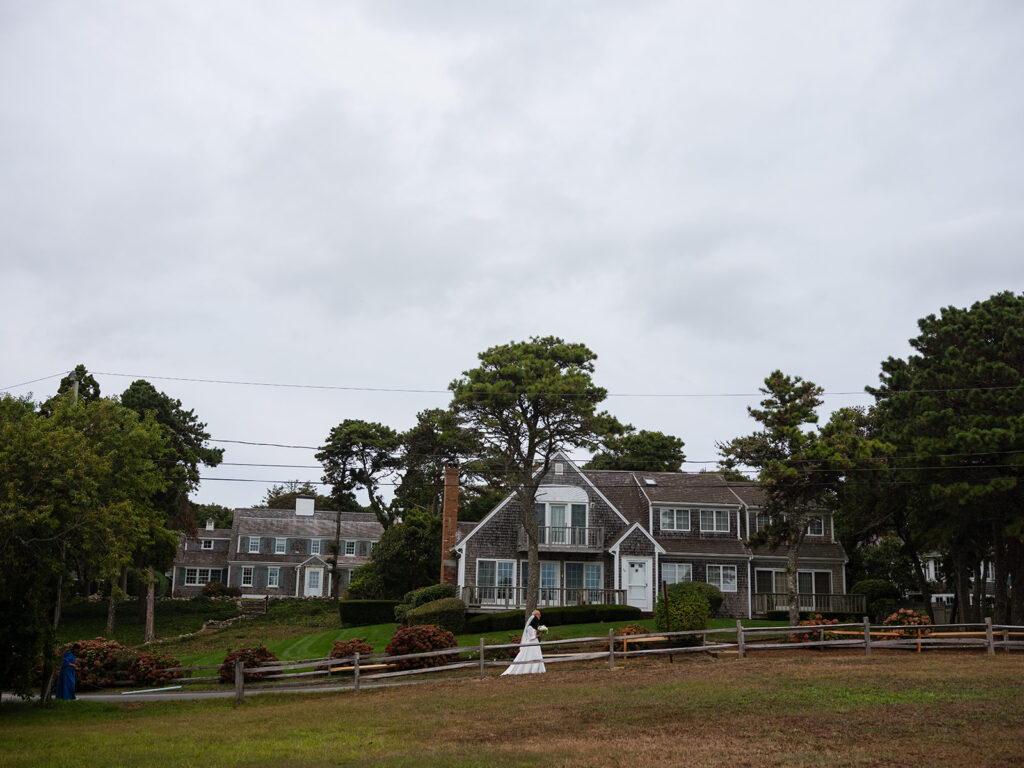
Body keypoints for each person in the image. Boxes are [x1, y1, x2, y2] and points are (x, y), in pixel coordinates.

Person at [502, 609, 546, 675]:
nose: (540, 616)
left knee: (536, 655)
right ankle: (529, 669)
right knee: (530, 656)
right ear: (535, 616)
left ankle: (537, 669)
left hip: (535, 643)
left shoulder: (534, 627)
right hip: (531, 643)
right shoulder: (530, 627)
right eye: (539, 614)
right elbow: (531, 637)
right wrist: (539, 635)